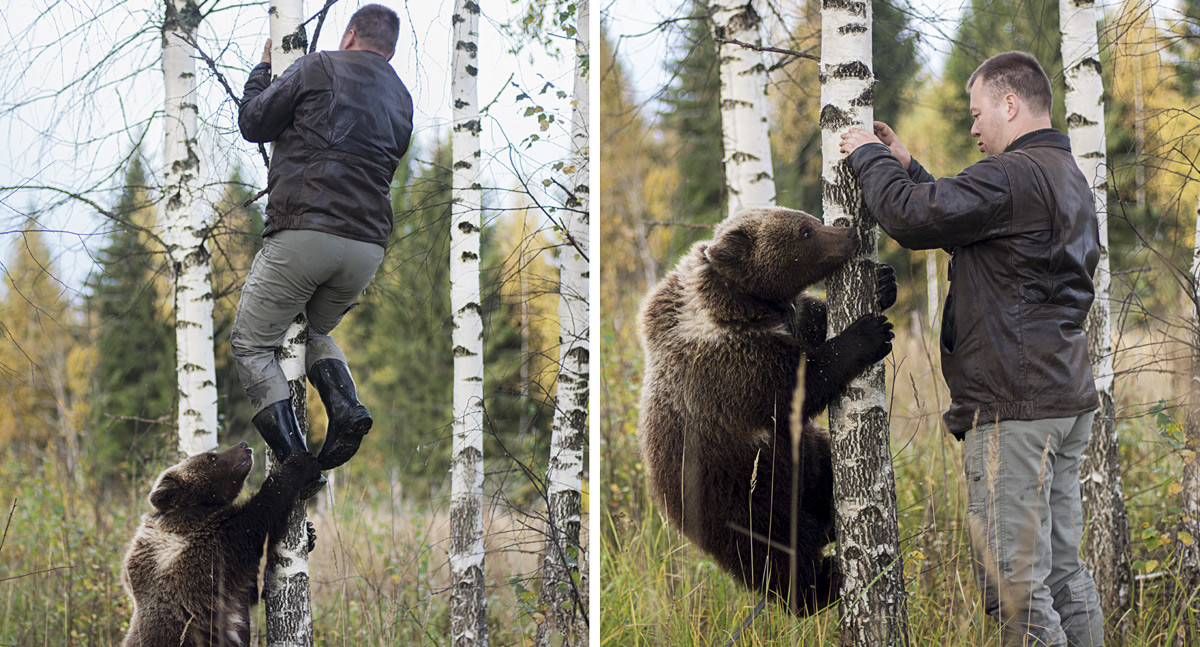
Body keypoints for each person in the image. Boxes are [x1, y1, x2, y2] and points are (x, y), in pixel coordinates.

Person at [839, 51, 1104, 646]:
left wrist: (867, 157)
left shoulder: (1012, 174)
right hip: (1062, 401)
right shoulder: (1066, 177)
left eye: (978, 113)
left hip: (1015, 411)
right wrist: (910, 166)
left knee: (1017, 589)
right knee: (1063, 575)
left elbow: (911, 220)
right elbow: (978, 230)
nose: (974, 127)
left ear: (1010, 105)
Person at [233, 4, 413, 482]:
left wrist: (263, 71)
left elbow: (253, 122)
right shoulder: (402, 99)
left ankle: (298, 467)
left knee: (252, 345)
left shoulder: (319, 66)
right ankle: (347, 406)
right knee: (316, 330)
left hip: (306, 235)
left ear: (350, 35)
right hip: (367, 247)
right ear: (389, 51)